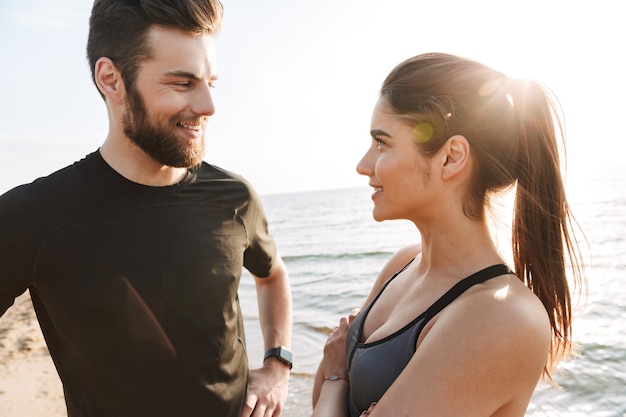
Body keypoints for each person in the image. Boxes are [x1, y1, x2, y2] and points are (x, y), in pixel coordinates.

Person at [0, 1, 293, 416]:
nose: (209, 106)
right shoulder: (35, 214)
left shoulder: (234, 197)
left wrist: (277, 364)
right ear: (111, 80)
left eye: (211, 82)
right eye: (182, 82)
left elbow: (273, 274)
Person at [311, 53, 586, 417]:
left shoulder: (502, 318)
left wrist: (335, 377)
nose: (363, 165)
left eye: (382, 143)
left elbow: (328, 382)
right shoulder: (403, 263)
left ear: (451, 157)